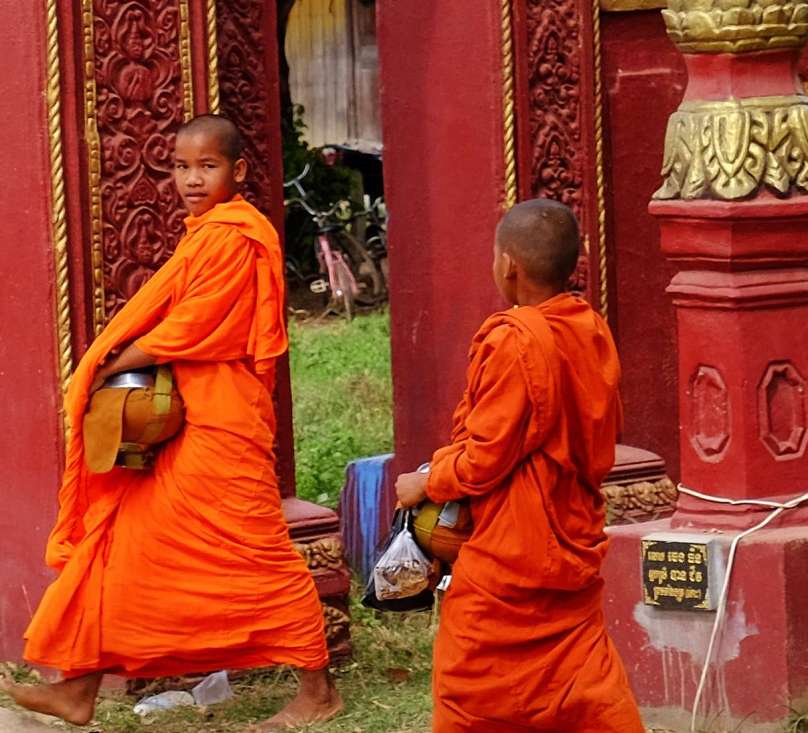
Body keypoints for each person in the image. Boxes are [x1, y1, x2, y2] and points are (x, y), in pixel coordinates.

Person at [1, 115, 342, 730]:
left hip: (226, 419)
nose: (191, 178)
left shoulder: (238, 236)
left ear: (236, 172)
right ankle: (78, 689)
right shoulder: (205, 234)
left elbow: (196, 326)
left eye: (206, 166)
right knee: (123, 544)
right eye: (181, 167)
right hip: (189, 418)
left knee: (258, 551)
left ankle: (318, 693)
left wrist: (113, 360)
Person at [392, 199, 644, 733]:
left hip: (515, 550)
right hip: (569, 531)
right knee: (584, 682)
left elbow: (485, 457)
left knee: (471, 686)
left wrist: (427, 481)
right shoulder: (590, 327)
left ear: (509, 265)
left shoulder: (514, 341)